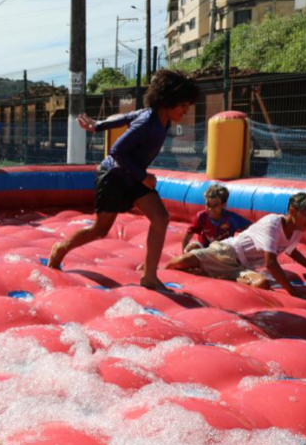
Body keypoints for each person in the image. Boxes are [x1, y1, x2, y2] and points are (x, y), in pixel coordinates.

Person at [47, 69, 201, 291]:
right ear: (168, 100)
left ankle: (149, 276)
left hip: (133, 175)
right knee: (100, 229)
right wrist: (142, 176)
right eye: (183, 106)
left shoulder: (160, 117)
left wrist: (98, 125)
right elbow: (117, 151)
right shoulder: (148, 122)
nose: (186, 111)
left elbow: (128, 116)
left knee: (161, 218)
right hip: (114, 176)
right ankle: (61, 248)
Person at [166, 192, 306, 298]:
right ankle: (197, 254)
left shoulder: (297, 229)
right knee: (178, 263)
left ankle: (211, 271)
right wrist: (292, 291)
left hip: (242, 266)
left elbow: (292, 251)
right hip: (227, 252)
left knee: (262, 283)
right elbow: (271, 263)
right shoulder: (273, 224)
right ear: (292, 211)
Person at [182, 184, 251, 253]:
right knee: (192, 248)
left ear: (224, 205)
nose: (210, 209)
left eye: (215, 206)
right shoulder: (201, 217)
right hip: (205, 250)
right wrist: (183, 254)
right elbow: (187, 237)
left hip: (223, 251)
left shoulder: (231, 219)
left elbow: (251, 227)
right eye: (208, 205)